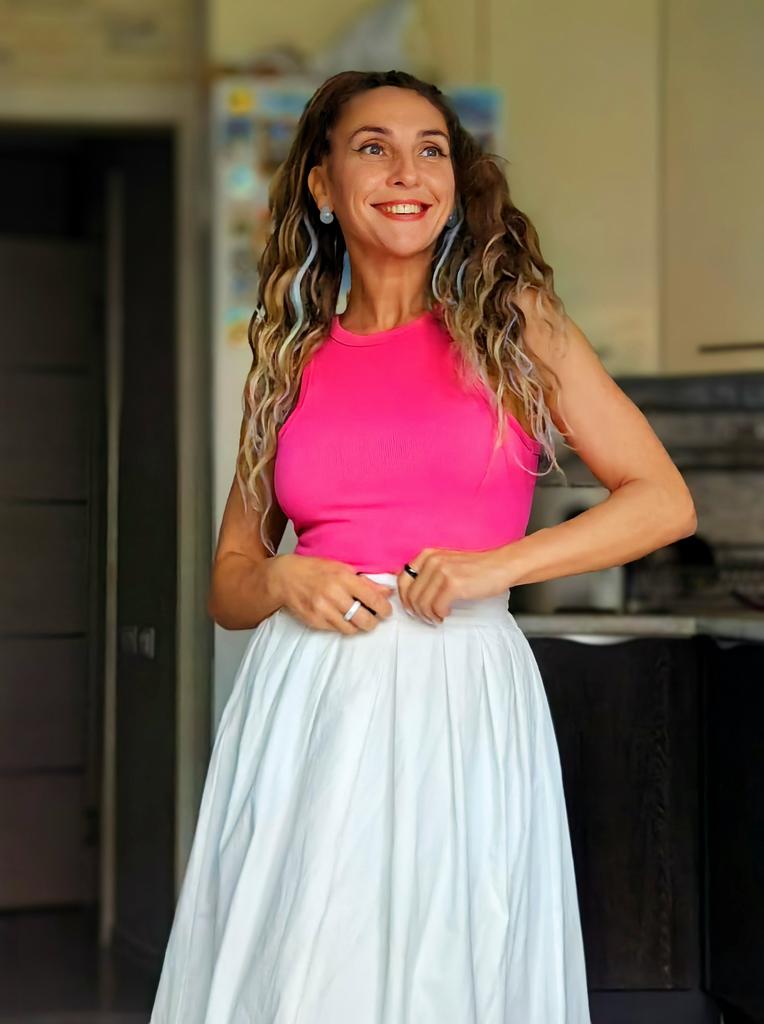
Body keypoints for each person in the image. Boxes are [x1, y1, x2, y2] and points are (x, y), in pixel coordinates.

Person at [150, 69, 696, 1023]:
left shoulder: (516, 329)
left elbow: (663, 501)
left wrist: (499, 565)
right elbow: (228, 587)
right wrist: (282, 579)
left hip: (460, 692)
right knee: (305, 974)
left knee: (451, 967)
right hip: (308, 702)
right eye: (374, 148)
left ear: (453, 179)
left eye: (430, 150)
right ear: (323, 184)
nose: (408, 172)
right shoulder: (284, 365)